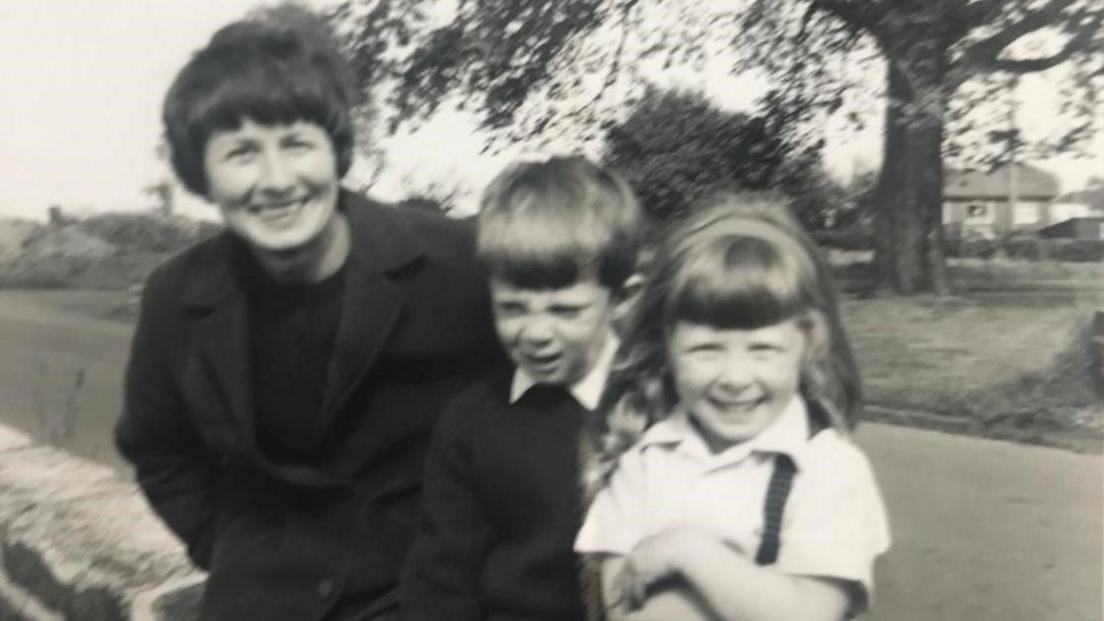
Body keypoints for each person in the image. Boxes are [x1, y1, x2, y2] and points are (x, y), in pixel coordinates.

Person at [113, 7, 503, 620]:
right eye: (241, 152)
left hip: (434, 594)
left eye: (297, 143)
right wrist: (233, 549)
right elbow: (157, 449)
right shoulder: (176, 298)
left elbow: (554, 408)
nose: (276, 180)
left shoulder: (459, 266)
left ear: (336, 149)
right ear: (201, 172)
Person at [575, 192, 890, 620]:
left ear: (809, 342)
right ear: (667, 344)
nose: (736, 377)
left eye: (763, 349)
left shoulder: (828, 469)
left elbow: (809, 613)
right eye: (706, 349)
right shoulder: (645, 463)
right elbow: (619, 604)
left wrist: (687, 550)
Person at [399, 156, 644, 621]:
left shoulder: (661, 400)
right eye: (512, 308)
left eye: (564, 311)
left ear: (623, 299)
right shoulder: (472, 422)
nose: (535, 333)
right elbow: (440, 582)